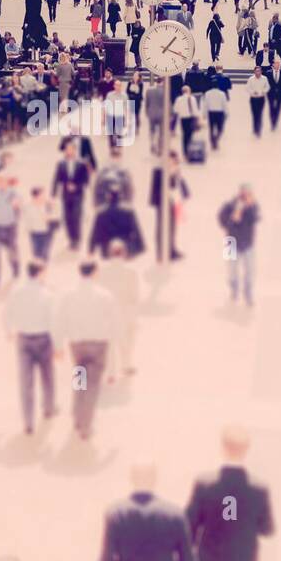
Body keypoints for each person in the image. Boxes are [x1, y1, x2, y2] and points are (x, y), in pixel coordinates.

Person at [186, 426, 275, 561]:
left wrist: (191, 552)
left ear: (223, 448)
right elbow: (267, 529)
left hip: (210, 560)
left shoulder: (204, 483)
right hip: (242, 560)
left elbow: (190, 523)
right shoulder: (259, 488)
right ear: (246, 449)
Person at [99, 463, 195, 561]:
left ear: (131, 478)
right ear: (155, 479)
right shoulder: (175, 514)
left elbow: (107, 559)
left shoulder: (115, 514)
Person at [54, 261, 115, 440]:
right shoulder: (105, 295)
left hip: (77, 344)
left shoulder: (67, 294)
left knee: (79, 378)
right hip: (98, 344)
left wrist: (58, 345)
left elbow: (60, 319)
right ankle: (86, 425)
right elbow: (113, 321)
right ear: (95, 273)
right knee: (93, 386)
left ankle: (77, 414)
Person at [4, 261, 57, 434]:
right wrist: (58, 344)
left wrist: (9, 330)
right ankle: (49, 408)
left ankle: (28, 421)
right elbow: (52, 320)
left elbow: (7, 313)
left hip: (24, 339)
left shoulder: (16, 291)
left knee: (26, 383)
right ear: (40, 273)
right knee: (47, 376)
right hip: (44, 338)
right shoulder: (47, 294)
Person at [97, 239, 140, 379]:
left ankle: (111, 371)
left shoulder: (102, 272)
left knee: (110, 342)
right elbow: (135, 294)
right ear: (125, 253)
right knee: (127, 340)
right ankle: (126, 365)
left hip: (108, 312)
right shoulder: (131, 272)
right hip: (126, 310)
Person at [219, 185, 261, 306]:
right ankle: (234, 290)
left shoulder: (253, 207)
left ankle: (248, 293)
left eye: (248, 194)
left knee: (250, 270)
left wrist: (250, 206)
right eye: (244, 194)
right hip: (230, 242)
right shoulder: (230, 205)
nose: (245, 196)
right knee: (231, 270)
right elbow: (221, 218)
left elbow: (256, 219)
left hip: (248, 243)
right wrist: (232, 218)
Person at [51, 140, 91, 253]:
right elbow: (56, 179)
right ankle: (71, 240)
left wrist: (76, 186)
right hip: (65, 195)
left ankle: (77, 240)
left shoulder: (82, 163)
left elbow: (86, 180)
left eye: (70, 149)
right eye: (66, 149)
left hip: (78, 195)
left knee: (76, 217)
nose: (68, 151)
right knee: (67, 218)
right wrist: (53, 195)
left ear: (74, 150)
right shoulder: (61, 164)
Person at [149, 153, 189, 261]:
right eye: (171, 160)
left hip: (173, 202)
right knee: (161, 227)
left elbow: (181, 186)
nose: (173, 163)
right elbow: (155, 189)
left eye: (175, 161)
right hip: (162, 204)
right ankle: (160, 252)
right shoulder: (159, 171)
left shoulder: (176, 171)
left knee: (172, 227)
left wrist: (175, 174)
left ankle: (171, 249)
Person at [172, 84, 201, 158]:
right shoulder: (192, 98)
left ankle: (185, 151)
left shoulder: (179, 99)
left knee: (184, 135)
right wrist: (198, 119)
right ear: (188, 91)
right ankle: (189, 150)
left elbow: (176, 110)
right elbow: (195, 110)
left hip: (183, 119)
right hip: (191, 119)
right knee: (190, 135)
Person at [203, 80, 229, 150]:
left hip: (211, 112)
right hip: (219, 112)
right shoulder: (222, 94)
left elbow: (205, 104)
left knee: (211, 128)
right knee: (220, 128)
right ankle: (216, 138)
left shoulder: (207, 93)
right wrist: (227, 112)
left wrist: (204, 113)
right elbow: (224, 104)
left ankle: (212, 141)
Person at [265, 58, 281, 131]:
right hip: (271, 93)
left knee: (278, 108)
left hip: (280, 94)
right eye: (276, 63)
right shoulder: (268, 73)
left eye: (279, 63)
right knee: (271, 108)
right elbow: (266, 83)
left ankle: (276, 121)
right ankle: (272, 123)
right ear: (273, 65)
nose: (278, 65)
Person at [245, 67, 268, 138]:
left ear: (261, 72)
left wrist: (262, 92)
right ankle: (255, 128)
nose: (258, 72)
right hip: (253, 99)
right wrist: (252, 92)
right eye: (256, 71)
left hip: (261, 98)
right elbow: (247, 88)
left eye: (259, 71)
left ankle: (259, 129)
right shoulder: (251, 79)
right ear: (254, 72)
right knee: (254, 114)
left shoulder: (264, 79)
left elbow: (267, 87)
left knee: (260, 114)